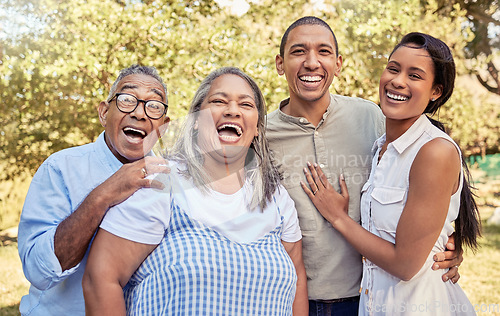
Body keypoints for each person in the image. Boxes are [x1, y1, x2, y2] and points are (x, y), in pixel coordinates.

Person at [266, 16, 464, 315]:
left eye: (323, 51)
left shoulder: (372, 118)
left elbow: (442, 194)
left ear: (338, 63)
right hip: (290, 297)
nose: (311, 62)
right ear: (280, 63)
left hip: (364, 298)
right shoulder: (260, 135)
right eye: (298, 51)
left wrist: (448, 244)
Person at [83, 67, 308, 315]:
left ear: (257, 128)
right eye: (219, 101)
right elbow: (101, 279)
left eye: (245, 105)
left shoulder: (276, 197)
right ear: (196, 122)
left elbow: (297, 278)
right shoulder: (161, 183)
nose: (232, 110)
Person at [17, 64, 171, 315]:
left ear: (163, 126)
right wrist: (104, 194)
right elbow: (37, 272)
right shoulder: (60, 168)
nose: (140, 114)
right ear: (103, 112)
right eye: (127, 99)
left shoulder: (174, 182)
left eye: (153, 106)